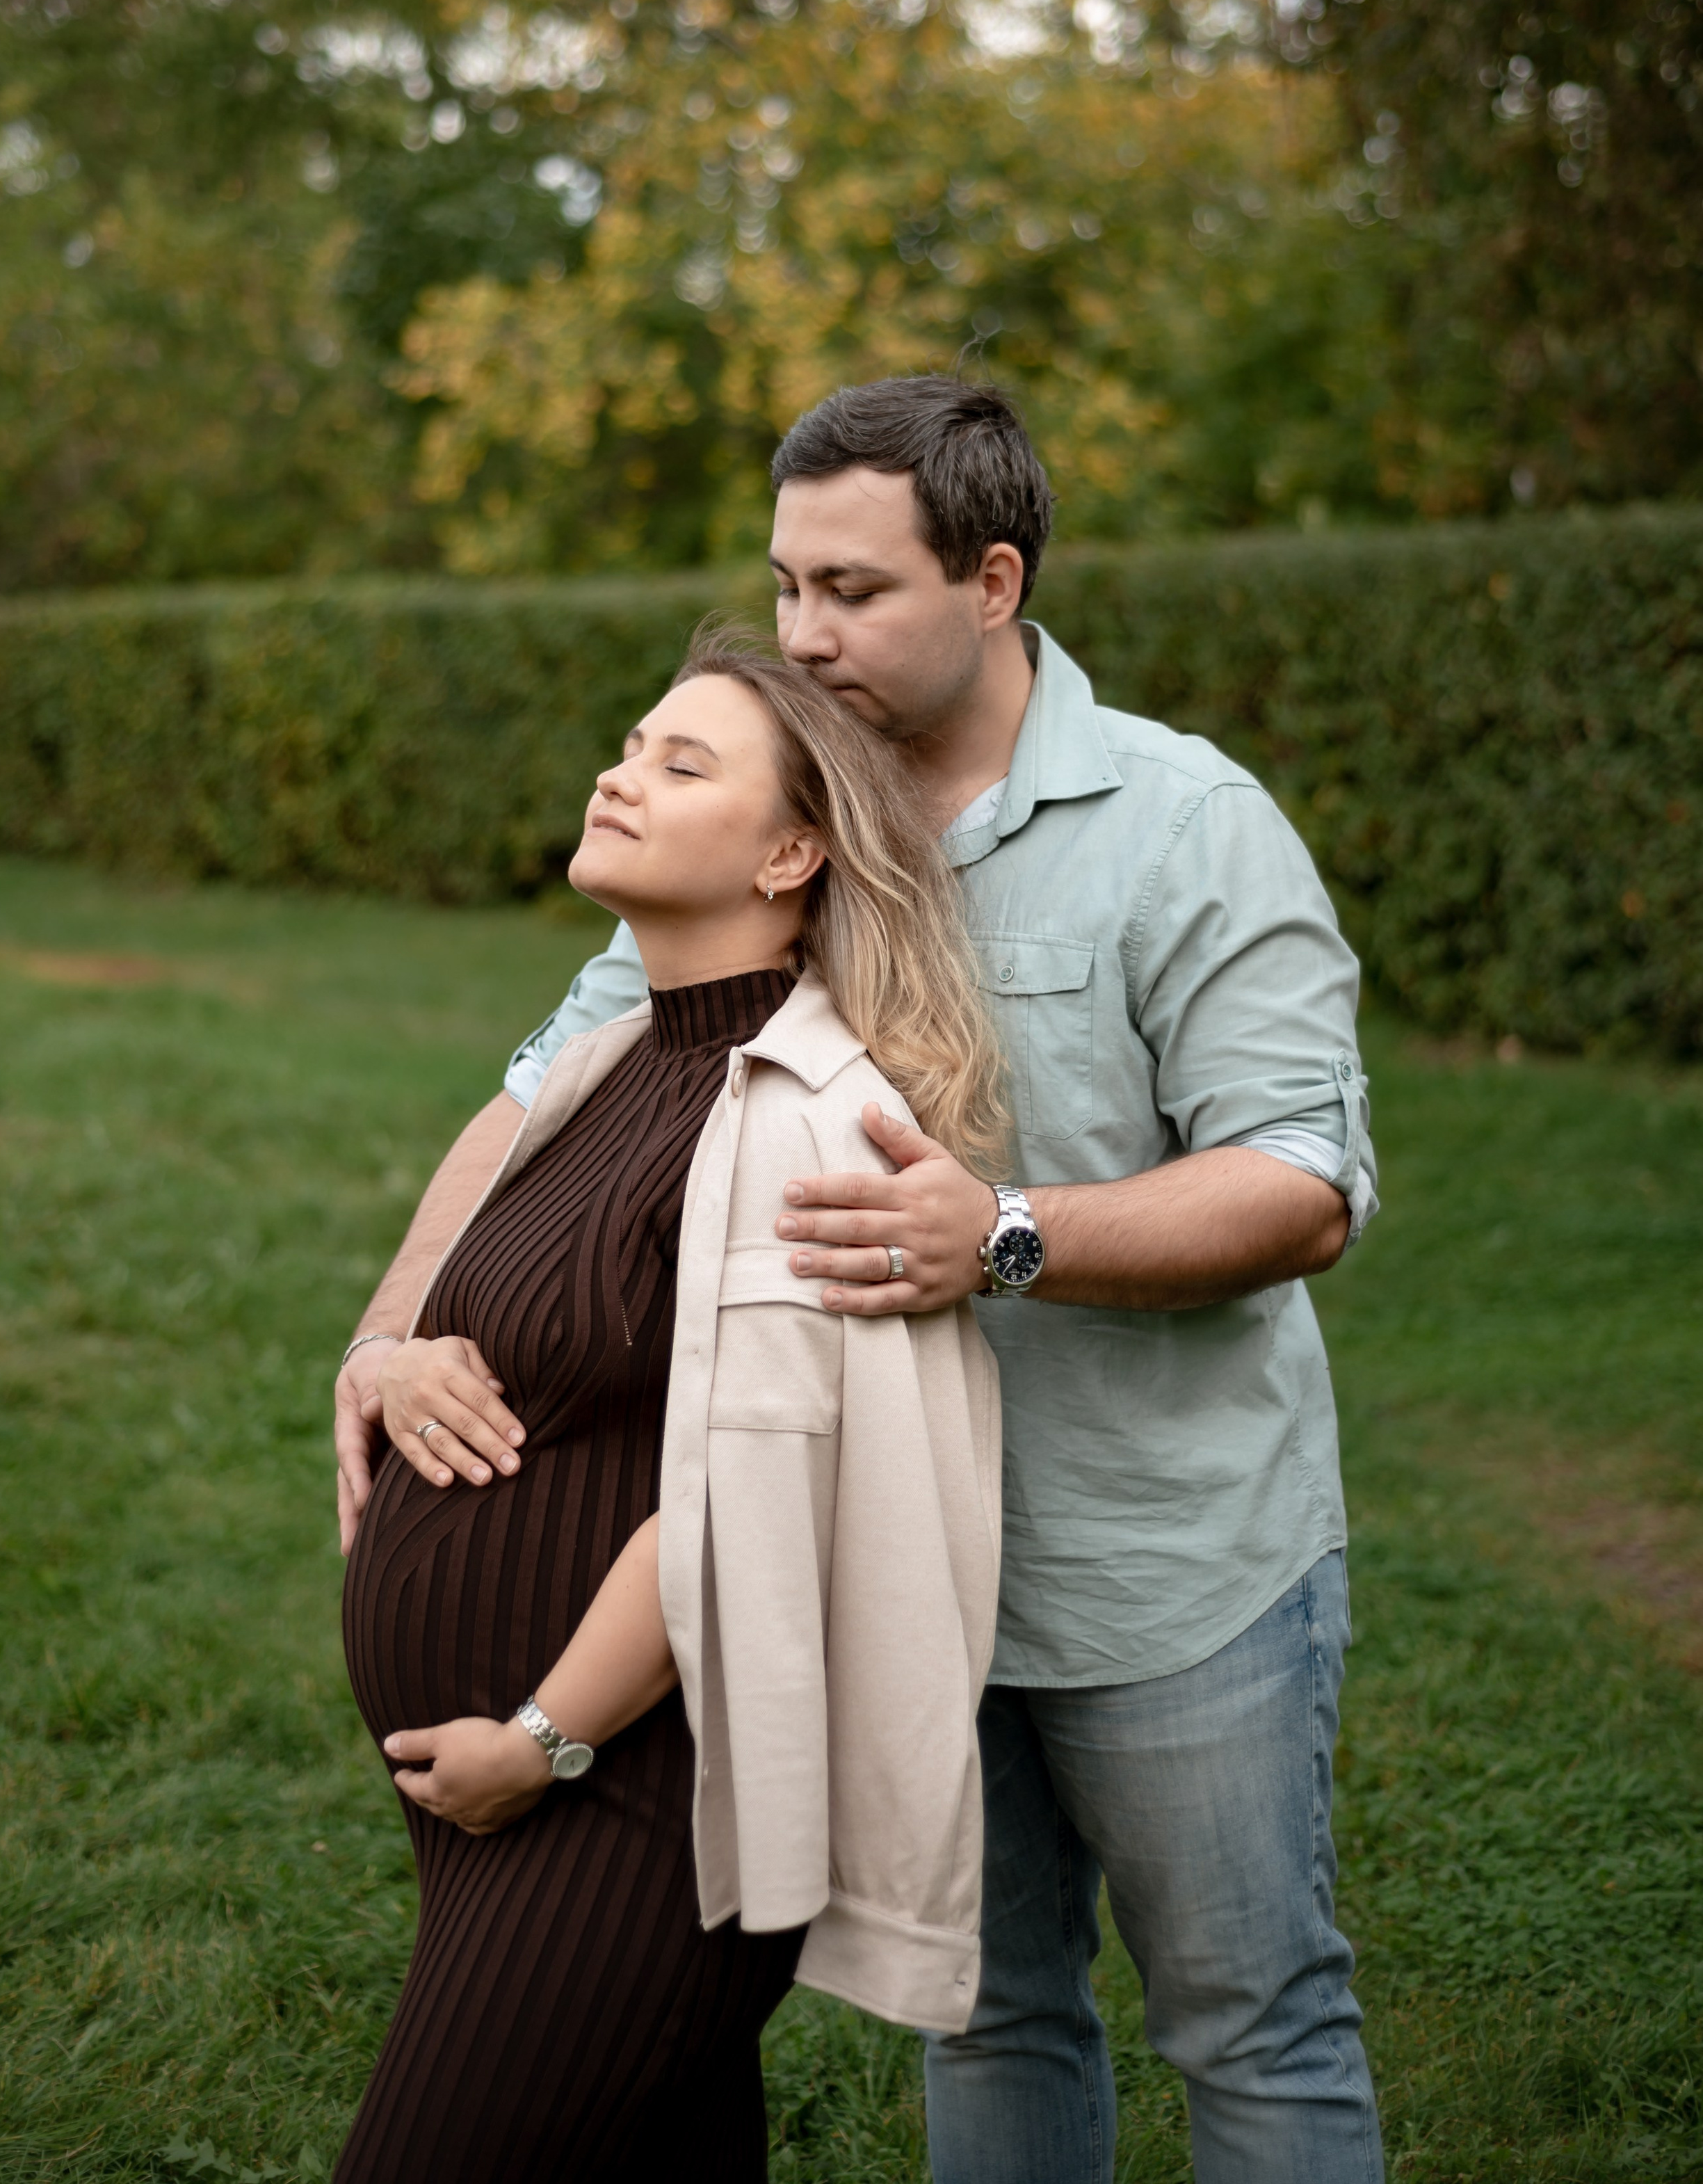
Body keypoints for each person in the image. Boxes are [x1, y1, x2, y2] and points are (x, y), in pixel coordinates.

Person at [336, 374, 1387, 2184]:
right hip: (897, 1565)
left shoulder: (1187, 826)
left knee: (1251, 2017)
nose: (802, 635)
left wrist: (1000, 1229)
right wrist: (391, 1321)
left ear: (991, 579)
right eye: (786, 582)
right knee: (990, 2014)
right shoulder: (785, 812)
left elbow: (1303, 1187)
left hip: (1165, 1561)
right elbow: (546, 1085)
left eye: (851, 590)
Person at [332, 628, 1003, 2184]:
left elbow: (737, 1492)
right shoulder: (616, 1057)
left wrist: (543, 1739)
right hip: (499, 1793)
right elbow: (543, 1325)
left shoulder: (807, 1117)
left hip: (632, 1810)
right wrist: (407, 1345)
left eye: (677, 763)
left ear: (788, 851)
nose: (617, 773)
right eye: (629, 745)